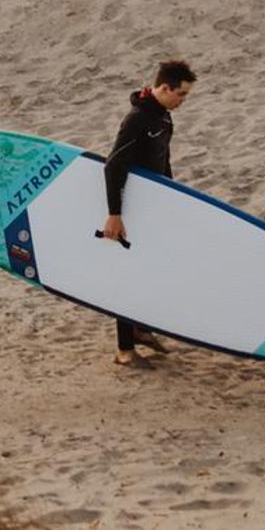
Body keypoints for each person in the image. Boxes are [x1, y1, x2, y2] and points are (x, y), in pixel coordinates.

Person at [100, 59, 198, 365]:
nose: (183, 101)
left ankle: (140, 329)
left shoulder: (163, 117)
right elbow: (114, 164)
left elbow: (163, 162)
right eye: (180, 95)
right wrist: (114, 214)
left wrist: (171, 199)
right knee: (128, 272)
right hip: (130, 208)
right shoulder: (137, 119)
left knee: (150, 268)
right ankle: (124, 351)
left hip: (153, 206)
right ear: (165, 88)